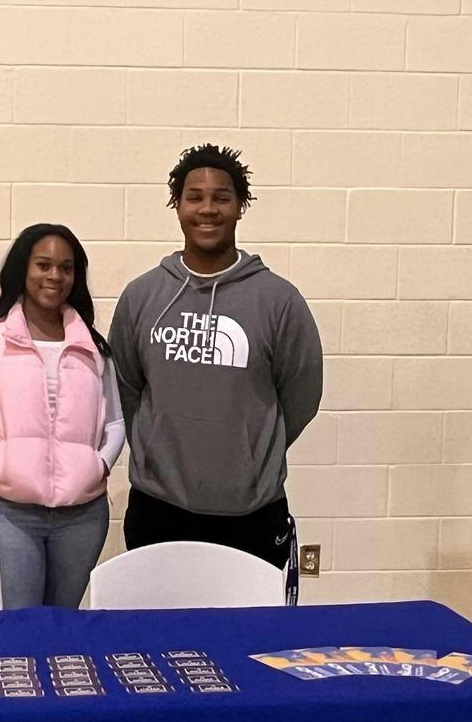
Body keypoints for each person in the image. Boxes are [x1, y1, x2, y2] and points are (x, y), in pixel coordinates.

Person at [108, 143, 323, 586]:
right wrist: (157, 447)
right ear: (177, 205)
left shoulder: (279, 301)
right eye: (195, 197)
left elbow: (301, 396)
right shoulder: (142, 296)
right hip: (158, 510)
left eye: (222, 197)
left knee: (247, 645)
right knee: (159, 643)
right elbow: (125, 388)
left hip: (250, 515)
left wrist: (247, 451)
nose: (208, 209)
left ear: (240, 207)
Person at [0, 225, 124, 609]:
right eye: (44, 265)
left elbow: (116, 422)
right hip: (9, 512)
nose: (55, 276)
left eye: (66, 268)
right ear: (23, 269)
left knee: (62, 622)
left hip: (83, 516)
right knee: (19, 625)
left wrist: (100, 462)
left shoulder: (92, 345)